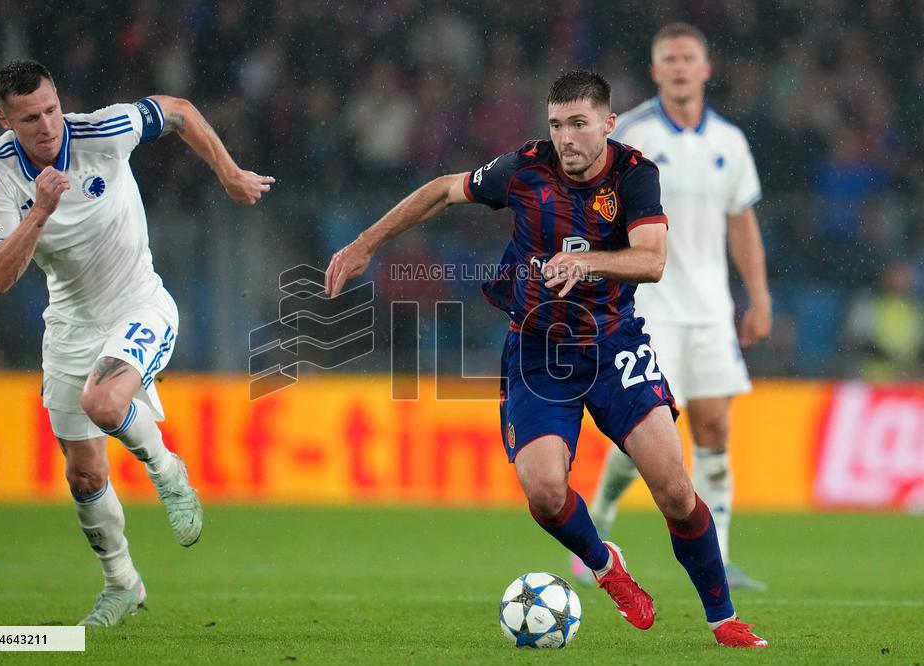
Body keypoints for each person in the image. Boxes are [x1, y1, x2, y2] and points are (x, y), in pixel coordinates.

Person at [325, 70, 766, 648]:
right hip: (538, 349)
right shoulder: (525, 169)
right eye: (557, 125)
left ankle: (723, 619)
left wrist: (587, 264)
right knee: (544, 490)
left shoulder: (636, 175)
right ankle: (608, 568)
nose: (567, 138)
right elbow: (440, 190)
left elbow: (652, 260)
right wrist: (364, 245)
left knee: (676, 492)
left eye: (579, 124)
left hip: (614, 344)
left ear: (608, 124)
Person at [0, 60, 274, 626]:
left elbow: (179, 111)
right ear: (4, 120)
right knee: (84, 474)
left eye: (51, 109)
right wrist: (40, 210)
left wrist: (230, 172)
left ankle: (167, 470)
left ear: (59, 100)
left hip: (140, 304)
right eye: (29, 119)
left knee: (105, 402)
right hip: (69, 323)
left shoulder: (102, 131)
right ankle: (123, 585)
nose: (46, 126)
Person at [581, 23, 772, 592]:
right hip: (648, 309)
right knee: (647, 435)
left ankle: (724, 556)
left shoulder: (730, 143)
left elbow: (742, 222)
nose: (682, 67)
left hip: (711, 310)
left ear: (706, 68)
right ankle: (599, 521)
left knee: (715, 427)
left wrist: (758, 296)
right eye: (671, 59)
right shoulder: (632, 137)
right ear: (656, 70)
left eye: (690, 58)